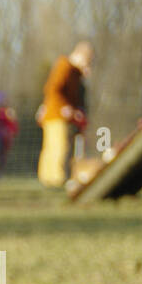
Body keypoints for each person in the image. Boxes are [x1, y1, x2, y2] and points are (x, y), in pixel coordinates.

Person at [37, 41, 92, 188]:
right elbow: (52, 89)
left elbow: (74, 95)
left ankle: (48, 178)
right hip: (56, 114)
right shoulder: (64, 66)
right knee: (58, 146)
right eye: (87, 61)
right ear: (80, 56)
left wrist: (76, 109)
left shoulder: (75, 72)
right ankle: (55, 179)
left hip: (60, 114)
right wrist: (65, 107)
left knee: (54, 147)